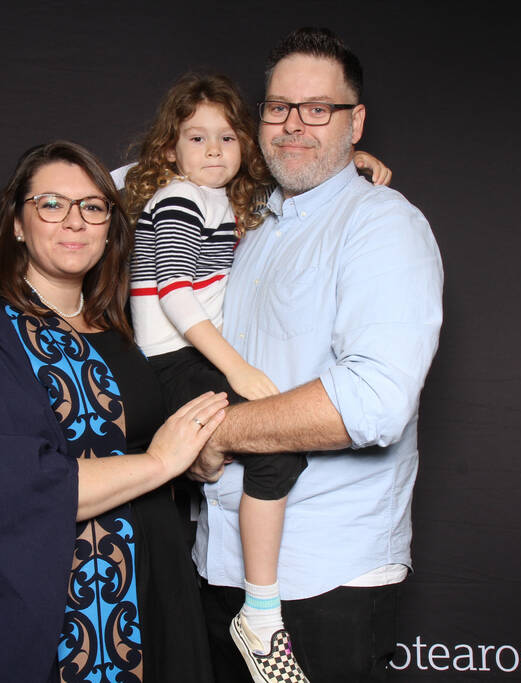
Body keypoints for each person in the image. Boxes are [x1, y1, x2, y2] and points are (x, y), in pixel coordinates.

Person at [0, 140, 228, 683]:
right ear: (16, 223)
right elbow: (8, 487)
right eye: (51, 204)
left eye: (93, 206)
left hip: (157, 595)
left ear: (110, 227)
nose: (74, 221)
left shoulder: (124, 333)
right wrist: (159, 463)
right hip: (52, 616)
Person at [187, 27, 444, 683]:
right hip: (219, 570)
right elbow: (131, 186)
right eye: (279, 108)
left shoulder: (379, 223)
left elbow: (375, 402)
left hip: (324, 583)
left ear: (354, 121)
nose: (294, 124)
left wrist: (211, 435)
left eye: (318, 109)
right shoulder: (247, 222)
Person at [120, 71, 391, 683]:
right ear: (169, 149)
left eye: (226, 138)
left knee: (267, 454)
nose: (213, 150)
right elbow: (178, 298)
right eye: (196, 138)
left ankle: (258, 608)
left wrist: (351, 158)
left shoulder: (227, 201)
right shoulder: (177, 200)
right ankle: (262, 612)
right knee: (276, 451)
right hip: (175, 361)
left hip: (193, 361)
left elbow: (291, 177)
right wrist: (238, 370)